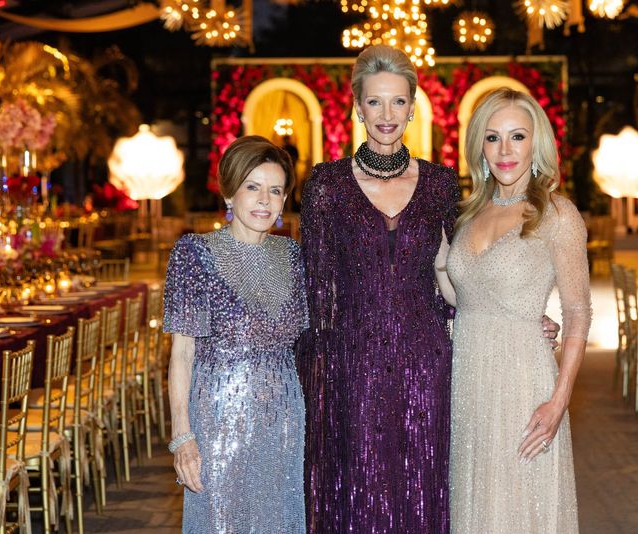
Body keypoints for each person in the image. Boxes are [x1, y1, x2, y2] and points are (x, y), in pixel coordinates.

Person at [297, 45, 560, 533]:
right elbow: (314, 291)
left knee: (422, 490)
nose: (387, 114)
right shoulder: (326, 186)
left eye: (398, 101)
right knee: (358, 494)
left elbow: (458, 272)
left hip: (428, 365)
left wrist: (519, 317)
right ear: (357, 107)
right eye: (375, 102)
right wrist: (313, 383)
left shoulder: (440, 185)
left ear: (413, 107)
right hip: (352, 367)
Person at [436, 88, 592, 533]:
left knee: (521, 506)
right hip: (469, 383)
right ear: (480, 147)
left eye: (517, 136)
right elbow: (463, 298)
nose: (505, 150)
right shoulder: (469, 214)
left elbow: (578, 312)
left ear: (535, 143)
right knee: (477, 506)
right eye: (493, 138)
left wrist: (559, 400)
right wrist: (438, 259)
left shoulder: (557, 215)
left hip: (523, 381)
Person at [164, 135, 308, 533]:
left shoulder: (294, 256)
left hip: (284, 420)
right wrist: (182, 436)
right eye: (252, 187)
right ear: (229, 193)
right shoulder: (195, 254)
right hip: (218, 421)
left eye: (275, 190)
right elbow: (182, 354)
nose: (264, 200)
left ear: (285, 199)